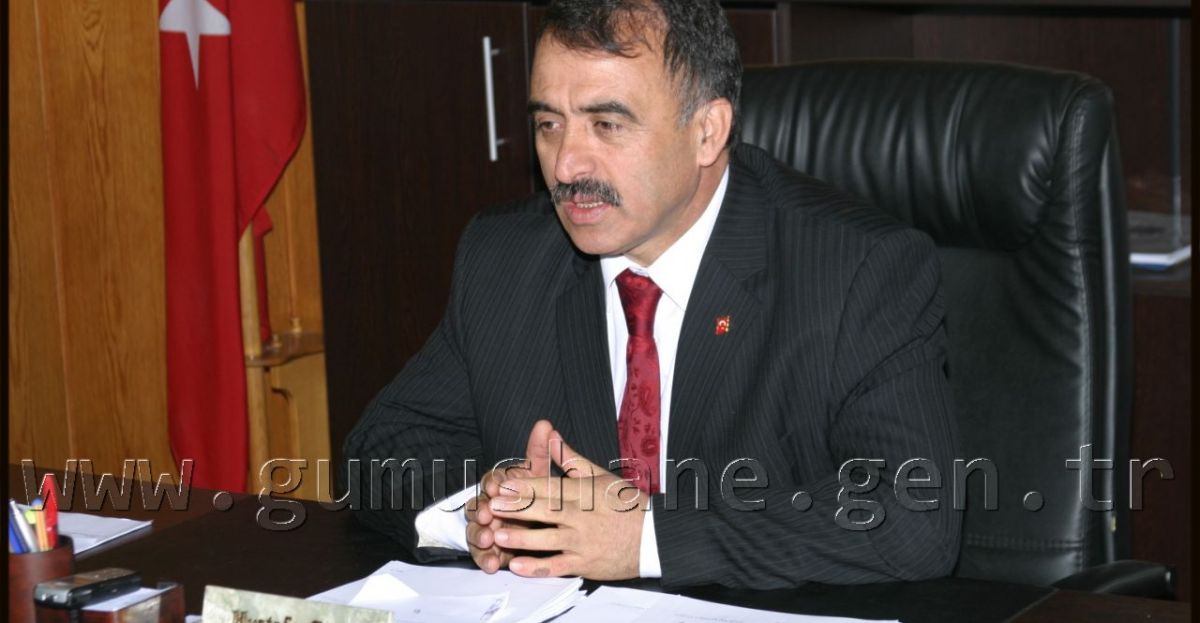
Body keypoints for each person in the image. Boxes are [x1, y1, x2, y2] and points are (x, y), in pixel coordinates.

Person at [343, 0, 961, 588]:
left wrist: (645, 537)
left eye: (606, 125)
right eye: (549, 124)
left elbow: (915, 515)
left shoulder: (856, 269)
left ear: (707, 132)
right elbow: (380, 450)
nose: (566, 165)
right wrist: (483, 515)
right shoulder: (506, 256)